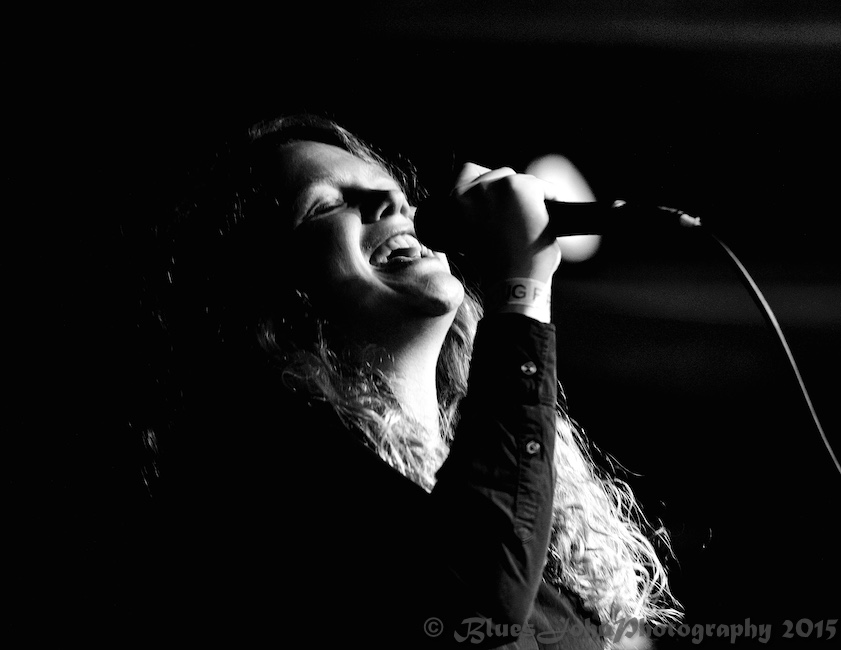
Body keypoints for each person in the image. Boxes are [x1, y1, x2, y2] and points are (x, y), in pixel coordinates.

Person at [136, 113, 682, 648]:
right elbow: (476, 605)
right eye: (326, 204)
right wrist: (521, 291)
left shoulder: (517, 490)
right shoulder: (277, 485)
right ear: (269, 294)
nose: (392, 203)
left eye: (392, 192)